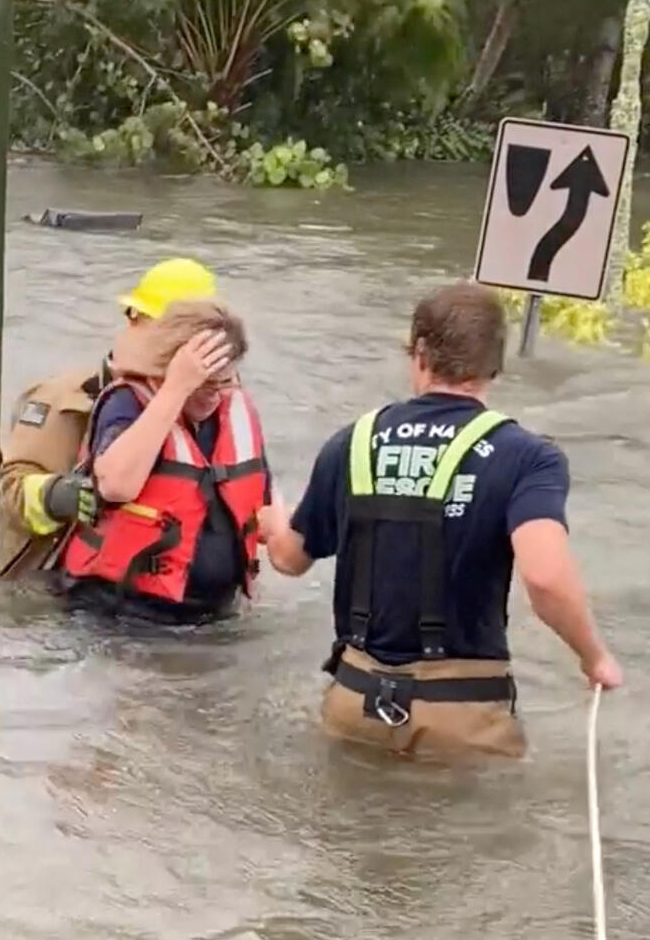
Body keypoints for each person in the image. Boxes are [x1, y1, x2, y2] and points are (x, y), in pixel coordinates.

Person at [258, 279, 622, 759]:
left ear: (421, 353)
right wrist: (594, 658)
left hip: (353, 701)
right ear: (495, 363)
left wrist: (272, 523)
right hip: (463, 717)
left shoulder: (351, 442)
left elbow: (288, 559)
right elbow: (546, 577)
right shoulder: (527, 456)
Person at [0, 257, 218, 579]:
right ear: (136, 321)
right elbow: (6, 491)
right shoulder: (62, 403)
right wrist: (58, 495)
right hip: (56, 588)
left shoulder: (212, 411)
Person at [56, 299, 269, 625]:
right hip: (121, 616)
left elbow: (262, 509)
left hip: (215, 617)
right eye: (204, 383)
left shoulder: (234, 412)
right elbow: (115, 485)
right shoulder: (127, 403)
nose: (214, 395)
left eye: (223, 382)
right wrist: (176, 388)